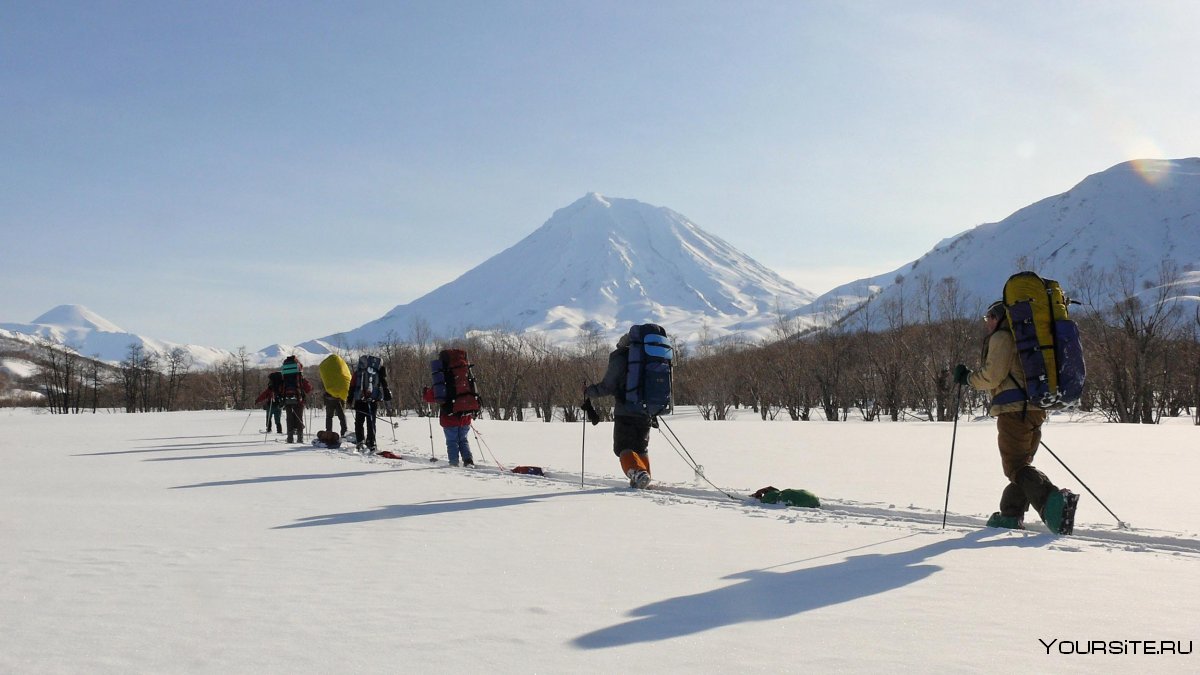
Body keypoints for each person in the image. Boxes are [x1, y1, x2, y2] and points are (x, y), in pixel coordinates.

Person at [954, 300, 1079, 533]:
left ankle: (1054, 502)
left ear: (998, 317)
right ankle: (1010, 514)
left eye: (989, 318)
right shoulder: (1026, 339)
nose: (987, 323)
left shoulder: (1003, 338)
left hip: (1014, 411)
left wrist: (967, 378)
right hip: (1034, 409)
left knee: (1015, 467)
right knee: (1021, 465)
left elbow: (992, 376)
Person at [585, 333, 653, 489]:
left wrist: (589, 391)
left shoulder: (622, 358)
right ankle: (643, 476)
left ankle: (639, 474)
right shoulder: (648, 357)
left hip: (626, 411)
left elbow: (608, 385)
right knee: (640, 447)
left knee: (623, 447)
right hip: (646, 412)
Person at [346, 355, 392, 453]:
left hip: (360, 401)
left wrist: (350, 399)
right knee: (371, 422)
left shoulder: (358, 372)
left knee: (359, 422)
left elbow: (352, 386)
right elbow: (384, 384)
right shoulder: (378, 372)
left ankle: (360, 441)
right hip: (373, 401)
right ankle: (371, 442)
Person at [423, 385, 474, 466]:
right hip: (465, 417)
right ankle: (468, 461)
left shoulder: (442, 379)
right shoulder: (464, 377)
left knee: (452, 442)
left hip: (449, 418)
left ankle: (454, 463)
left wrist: (426, 392)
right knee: (463, 440)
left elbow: (430, 398)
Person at [277, 355, 313, 444]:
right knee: (299, 417)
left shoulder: (284, 377)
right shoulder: (300, 377)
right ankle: (300, 438)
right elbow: (308, 388)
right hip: (298, 399)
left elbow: (281, 388)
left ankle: (290, 438)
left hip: (287, 399)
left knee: (289, 418)